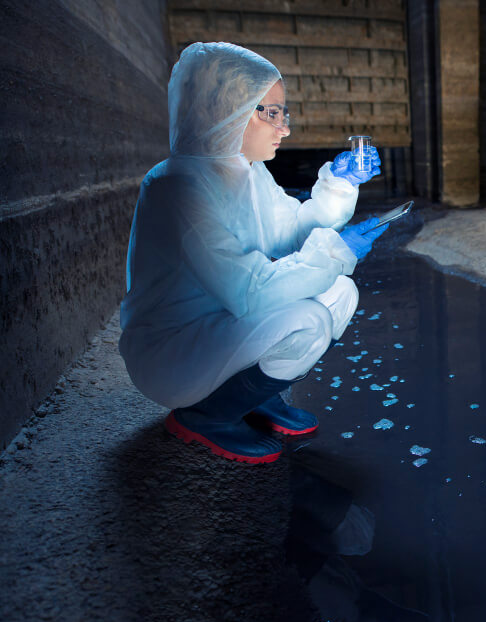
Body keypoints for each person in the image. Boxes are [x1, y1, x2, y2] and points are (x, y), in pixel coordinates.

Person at [119, 42, 388, 464]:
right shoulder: (177, 187)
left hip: (221, 323)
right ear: (229, 110)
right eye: (273, 113)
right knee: (310, 318)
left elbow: (293, 232)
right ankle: (205, 416)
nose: (285, 128)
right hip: (173, 351)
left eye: (284, 114)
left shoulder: (247, 172)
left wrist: (339, 183)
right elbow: (249, 291)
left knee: (339, 292)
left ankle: (252, 397)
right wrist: (336, 249)